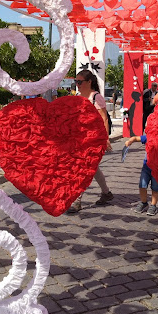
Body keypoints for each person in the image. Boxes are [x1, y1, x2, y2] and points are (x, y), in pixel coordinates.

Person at [68, 70, 114, 213]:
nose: (77, 84)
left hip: (93, 140)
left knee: (83, 168)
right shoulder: (78, 97)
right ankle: (106, 193)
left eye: (80, 82)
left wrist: (105, 139)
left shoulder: (96, 97)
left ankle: (77, 200)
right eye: (76, 81)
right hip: (80, 139)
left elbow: (104, 119)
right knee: (92, 168)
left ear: (89, 82)